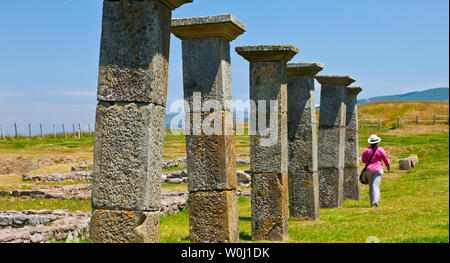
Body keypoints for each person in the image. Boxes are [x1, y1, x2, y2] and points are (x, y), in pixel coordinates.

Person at [361, 135, 391, 207]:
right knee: (376, 186)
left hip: (369, 170)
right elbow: (385, 159)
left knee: (371, 186)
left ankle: (372, 202)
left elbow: (363, 160)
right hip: (378, 169)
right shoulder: (380, 150)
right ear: (377, 142)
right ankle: (375, 202)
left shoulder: (366, 150)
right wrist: (388, 166)